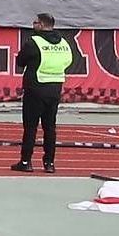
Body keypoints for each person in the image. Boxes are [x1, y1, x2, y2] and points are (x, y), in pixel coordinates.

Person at [16, 13, 76, 172]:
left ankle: (25, 162)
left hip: (35, 88)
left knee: (30, 127)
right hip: (55, 89)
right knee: (50, 127)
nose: (33, 25)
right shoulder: (64, 42)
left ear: (41, 25)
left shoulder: (34, 42)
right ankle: (49, 163)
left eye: (35, 22)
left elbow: (20, 61)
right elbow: (69, 61)